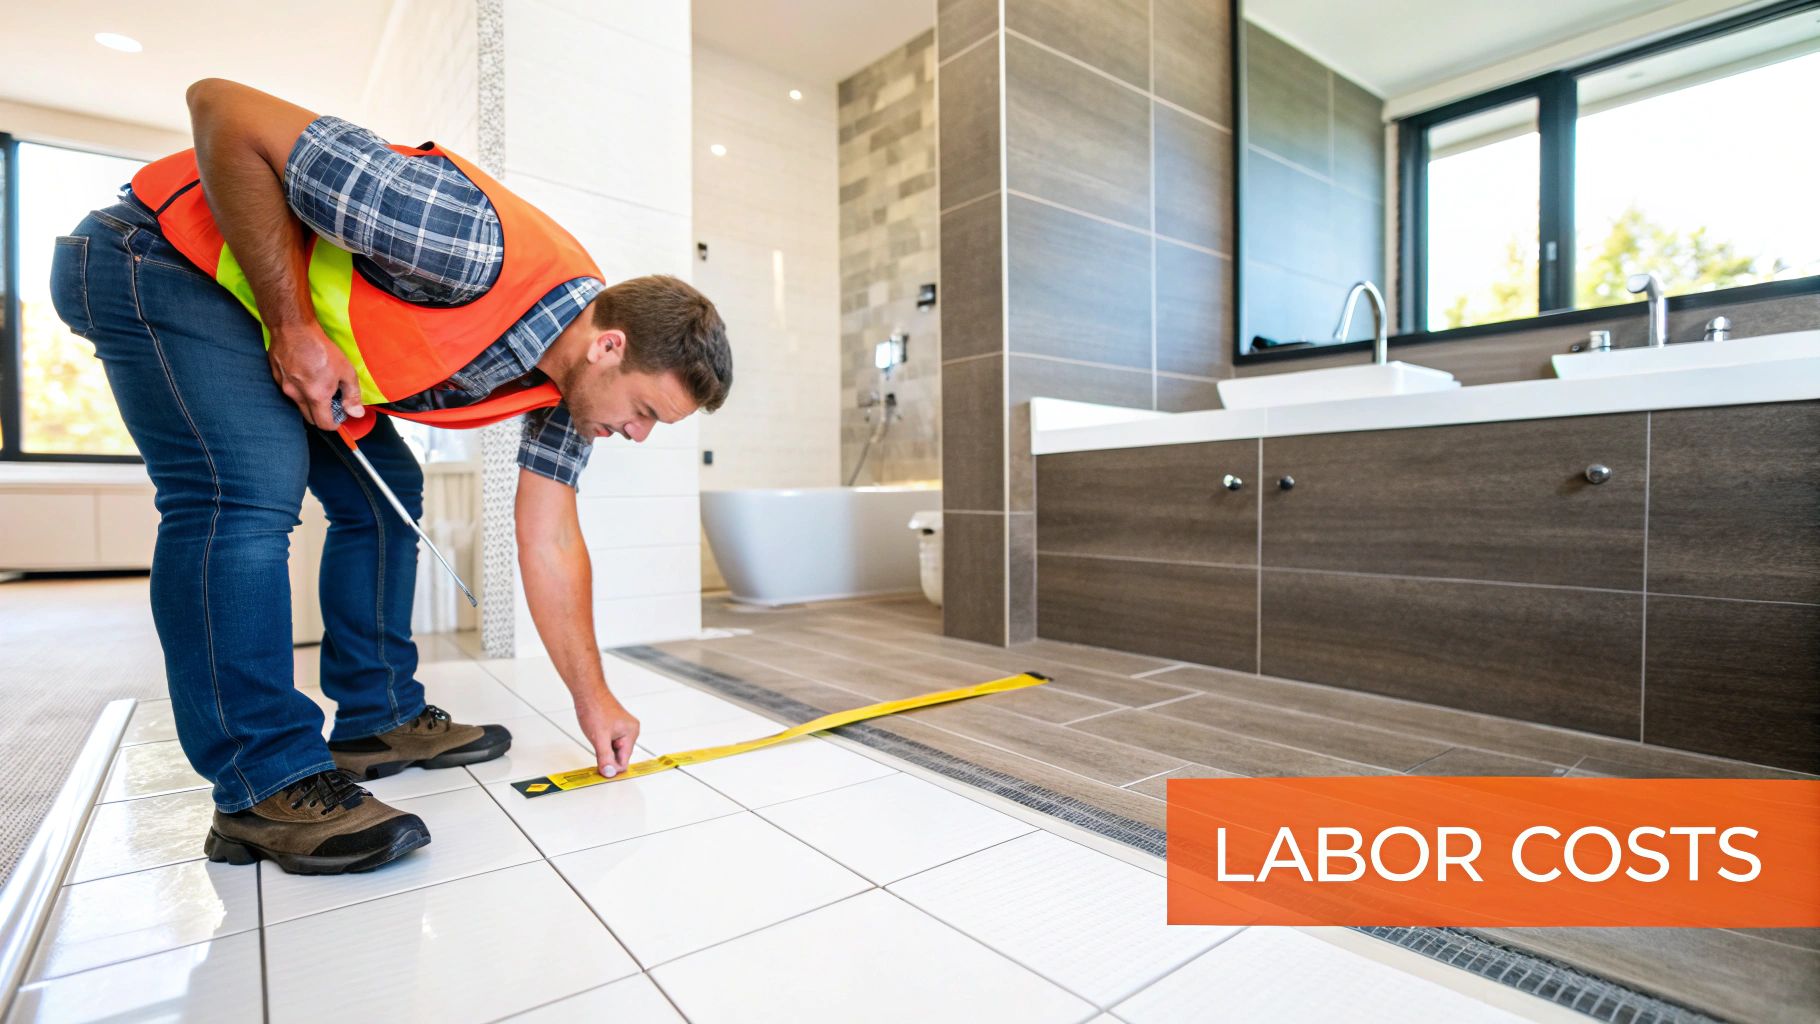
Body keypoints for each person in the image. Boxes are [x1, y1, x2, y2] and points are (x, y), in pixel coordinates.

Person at [47, 80, 732, 875]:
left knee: (384, 495)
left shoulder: (568, 389)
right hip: (158, 259)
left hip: (254, 312)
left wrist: (594, 698)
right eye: (644, 412)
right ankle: (264, 780)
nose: (637, 435)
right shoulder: (459, 239)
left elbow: (550, 541)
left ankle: (378, 717)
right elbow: (223, 109)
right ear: (610, 347)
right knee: (246, 490)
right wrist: (294, 326)